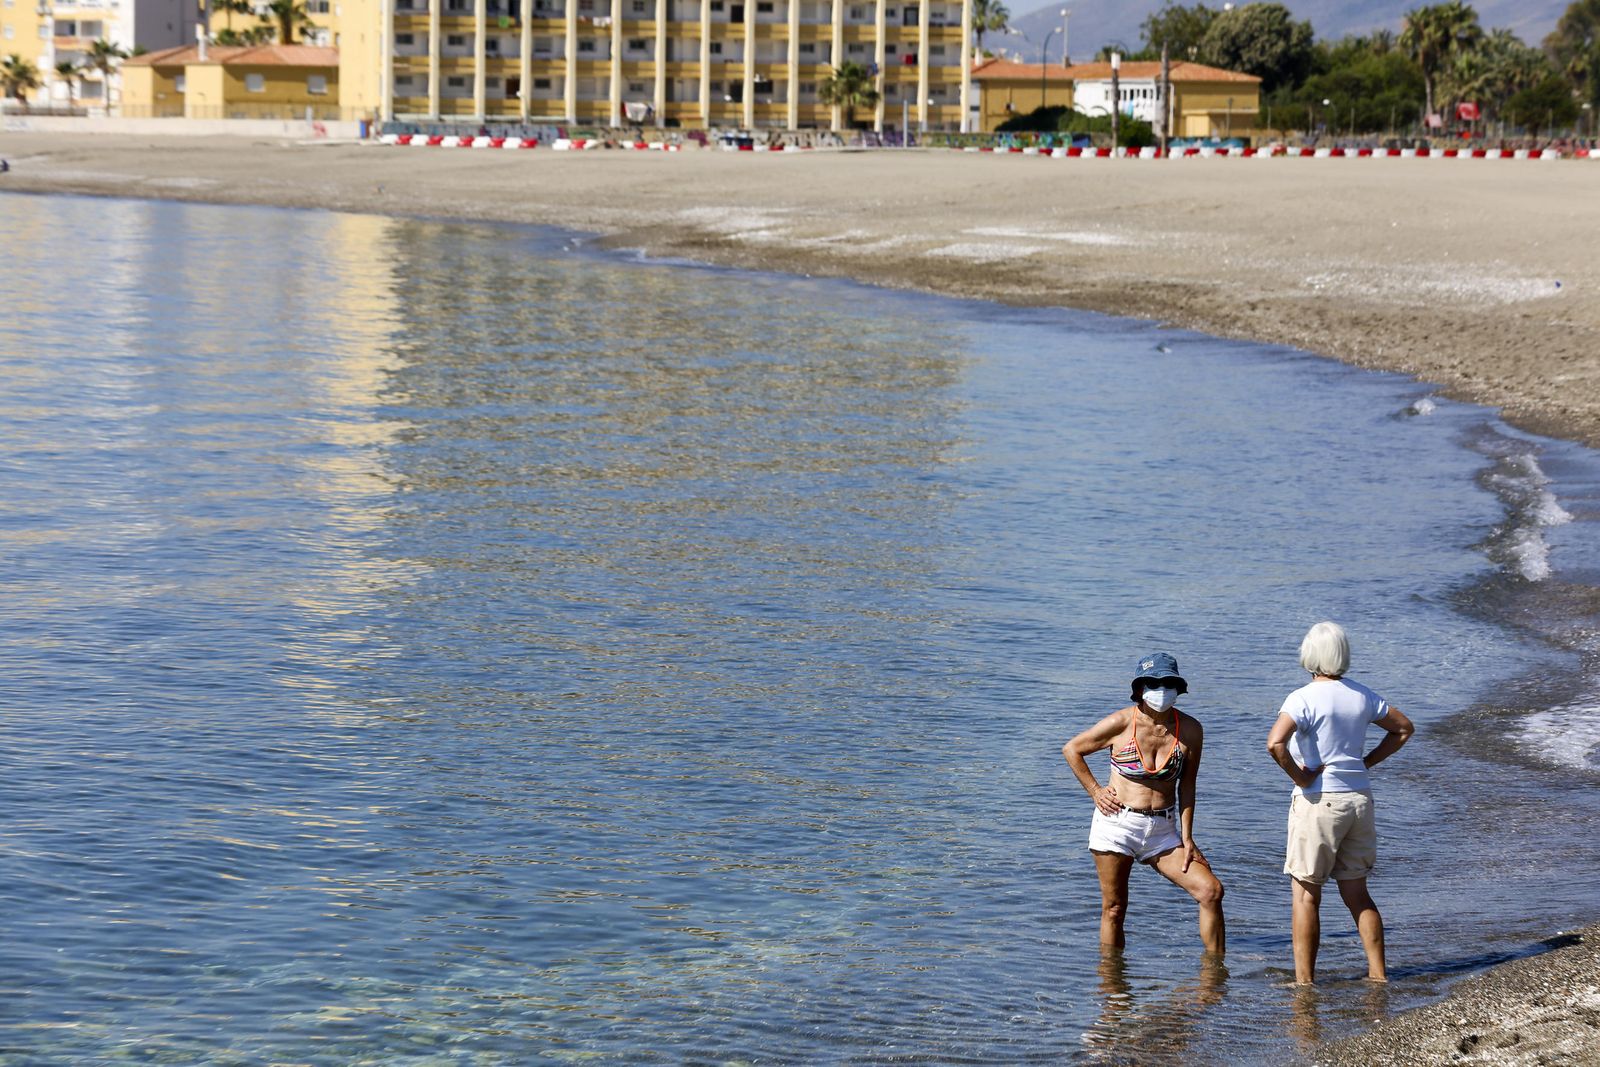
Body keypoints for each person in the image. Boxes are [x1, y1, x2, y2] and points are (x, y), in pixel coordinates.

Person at [1266, 621, 1414, 985]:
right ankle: (1378, 975)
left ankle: (1305, 983)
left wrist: (1301, 778)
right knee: (1357, 891)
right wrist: (1365, 763)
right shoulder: (1362, 695)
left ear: (1309, 655)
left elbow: (1275, 743)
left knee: (1305, 896)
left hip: (1319, 802)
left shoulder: (1301, 698)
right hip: (1358, 799)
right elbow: (1403, 729)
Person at [1064, 652, 1225, 954]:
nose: (1160, 689)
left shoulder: (1191, 730)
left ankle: (1213, 981)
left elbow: (1187, 785)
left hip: (1163, 830)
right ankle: (1114, 991)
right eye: (1152, 683)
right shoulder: (1121, 722)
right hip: (1116, 825)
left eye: (1168, 683)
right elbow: (1072, 749)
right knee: (1114, 908)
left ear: (1179, 688)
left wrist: (1188, 838)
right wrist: (1096, 791)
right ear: (1139, 689)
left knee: (1211, 891)